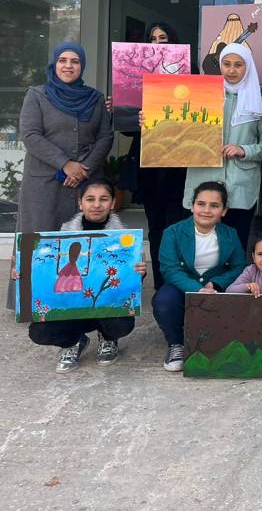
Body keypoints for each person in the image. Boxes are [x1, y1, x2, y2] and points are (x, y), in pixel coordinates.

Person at [17, 179, 146, 372]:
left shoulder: (126, 239)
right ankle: (72, 342)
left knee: (122, 323)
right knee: (39, 331)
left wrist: (140, 272)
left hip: (105, 307)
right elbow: (45, 272)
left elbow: (127, 286)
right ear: (80, 203)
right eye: (90, 199)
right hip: (71, 306)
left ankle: (108, 338)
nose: (96, 205)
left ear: (112, 203)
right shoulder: (62, 235)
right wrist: (23, 271)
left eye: (103, 199)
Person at [15, 42, 114, 235]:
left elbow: (105, 137)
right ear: (55, 64)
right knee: (39, 241)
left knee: (83, 241)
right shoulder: (37, 95)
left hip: (84, 183)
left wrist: (84, 169)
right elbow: (30, 135)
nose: (68, 66)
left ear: (82, 65)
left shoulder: (96, 99)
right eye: (62, 60)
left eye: (75, 61)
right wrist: (65, 164)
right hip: (44, 184)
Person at [182, 42, 262, 253]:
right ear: (219, 66)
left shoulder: (259, 104)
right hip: (203, 184)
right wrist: (150, 121)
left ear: (247, 67)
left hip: (240, 188)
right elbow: (176, 133)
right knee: (201, 248)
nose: (231, 70)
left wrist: (244, 150)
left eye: (238, 65)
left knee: (235, 248)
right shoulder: (199, 98)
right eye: (226, 64)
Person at [153, 181, 247, 371]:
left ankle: (221, 343)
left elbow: (239, 267)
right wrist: (197, 289)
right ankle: (176, 344)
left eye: (214, 205)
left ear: (224, 210)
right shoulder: (172, 232)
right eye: (201, 204)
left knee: (241, 298)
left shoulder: (230, 234)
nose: (206, 210)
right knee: (163, 301)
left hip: (216, 290)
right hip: (182, 287)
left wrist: (216, 284)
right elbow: (170, 269)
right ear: (192, 206)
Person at [128, 22, 189, 290]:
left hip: (179, 164)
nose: (157, 43)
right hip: (150, 166)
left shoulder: (189, 73)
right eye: (152, 39)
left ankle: (176, 284)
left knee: (176, 225)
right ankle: (161, 285)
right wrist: (131, 116)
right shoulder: (134, 75)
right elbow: (127, 129)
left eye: (163, 38)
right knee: (155, 227)